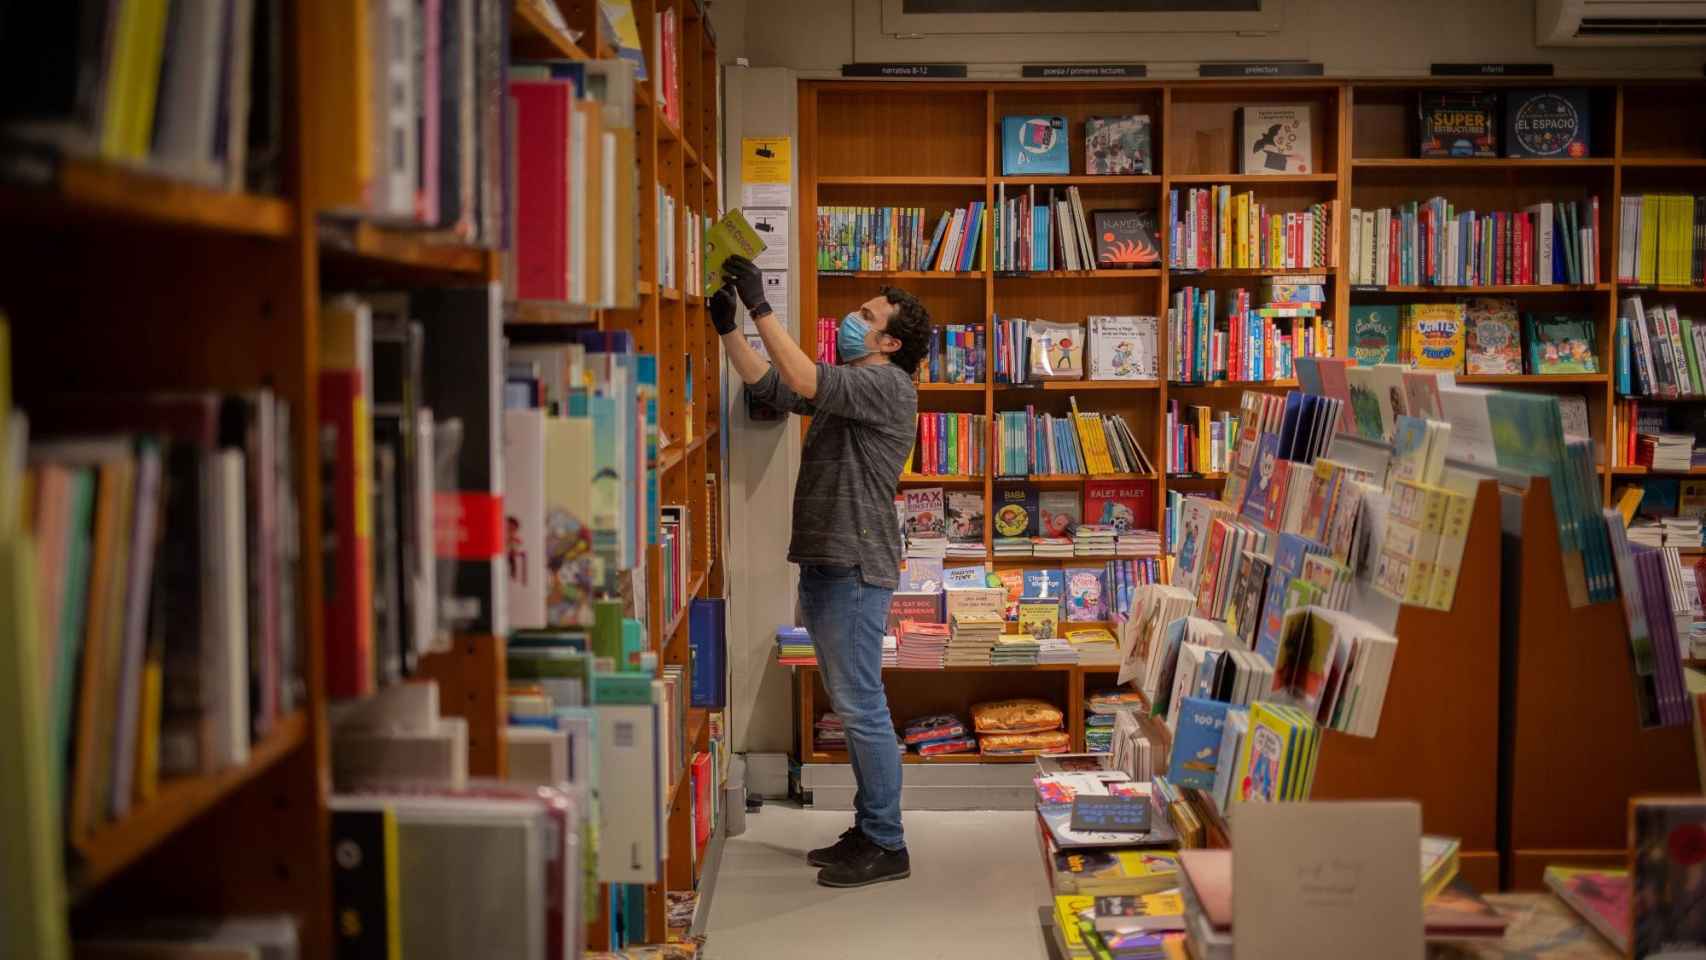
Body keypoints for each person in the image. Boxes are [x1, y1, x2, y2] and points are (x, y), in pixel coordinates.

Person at [711, 254, 931, 888]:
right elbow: (770, 385)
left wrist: (759, 305)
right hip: (832, 560)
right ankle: (869, 828)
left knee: (862, 706)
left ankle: (887, 842)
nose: (852, 320)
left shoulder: (886, 385)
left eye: (867, 316)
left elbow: (802, 376)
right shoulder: (850, 388)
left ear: (890, 342)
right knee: (854, 700)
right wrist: (729, 327)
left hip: (856, 565)